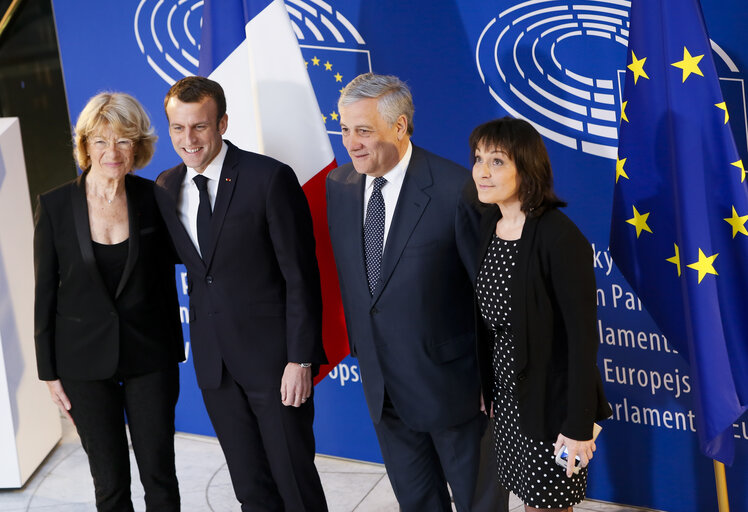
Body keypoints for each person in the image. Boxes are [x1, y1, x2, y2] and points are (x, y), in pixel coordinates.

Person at [326, 72, 502, 512]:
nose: (351, 143)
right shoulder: (340, 186)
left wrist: (492, 379)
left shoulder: (456, 188)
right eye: (345, 129)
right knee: (417, 502)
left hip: (454, 387)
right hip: (383, 388)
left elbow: (489, 294)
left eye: (363, 131)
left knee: (479, 502)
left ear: (400, 126)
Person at [154, 76, 328, 512]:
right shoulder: (165, 186)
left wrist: (300, 359)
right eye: (178, 128)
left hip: (276, 365)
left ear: (223, 123)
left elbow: (301, 276)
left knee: (295, 486)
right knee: (250, 490)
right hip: (216, 369)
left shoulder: (268, 178)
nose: (188, 139)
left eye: (200, 126)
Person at [33, 92, 184, 512]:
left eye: (122, 140)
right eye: (100, 141)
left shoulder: (156, 198)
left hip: (150, 357)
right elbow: (44, 292)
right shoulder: (55, 205)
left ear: (138, 145)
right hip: (82, 364)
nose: (111, 151)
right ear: (85, 146)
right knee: (110, 482)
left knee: (159, 475)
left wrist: (175, 350)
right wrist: (49, 372)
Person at [470, 117, 612, 511]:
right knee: (527, 496)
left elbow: (584, 342)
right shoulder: (491, 224)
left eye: (496, 161)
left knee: (548, 504)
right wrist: (493, 387)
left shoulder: (559, 237)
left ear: (527, 168)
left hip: (552, 403)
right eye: (478, 158)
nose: (482, 170)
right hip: (510, 393)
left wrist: (579, 425)